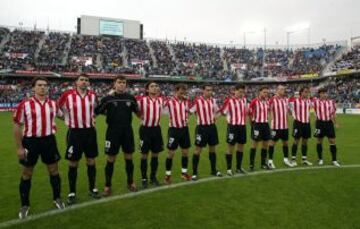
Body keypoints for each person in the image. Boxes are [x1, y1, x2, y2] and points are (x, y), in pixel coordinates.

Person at [13, 77, 65, 219]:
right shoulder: (25, 104)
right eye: (40, 85)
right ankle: (25, 205)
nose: (43, 87)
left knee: (54, 170)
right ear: (33, 88)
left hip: (49, 141)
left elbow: (63, 116)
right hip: (31, 142)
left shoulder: (53, 104)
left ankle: (57, 198)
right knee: (27, 173)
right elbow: (17, 125)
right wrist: (19, 148)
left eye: (45, 85)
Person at [58, 74, 100, 205]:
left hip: (90, 132)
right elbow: (58, 110)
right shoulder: (67, 95)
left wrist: (91, 118)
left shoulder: (93, 95)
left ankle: (92, 188)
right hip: (74, 133)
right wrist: (67, 120)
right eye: (81, 79)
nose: (84, 82)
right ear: (76, 82)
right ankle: (72, 192)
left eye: (86, 80)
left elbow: (97, 110)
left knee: (91, 160)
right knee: (73, 162)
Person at [95, 76, 140, 195]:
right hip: (112, 132)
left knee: (129, 158)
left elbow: (138, 113)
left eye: (123, 82)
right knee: (111, 159)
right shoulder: (107, 99)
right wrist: (109, 114)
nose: (121, 84)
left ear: (126, 85)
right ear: (114, 84)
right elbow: (97, 111)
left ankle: (130, 182)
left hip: (127, 131)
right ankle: (107, 185)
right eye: (119, 82)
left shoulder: (131, 98)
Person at [190, 84, 222, 181]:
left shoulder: (213, 101)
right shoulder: (197, 101)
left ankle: (213, 170)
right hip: (201, 128)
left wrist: (216, 117)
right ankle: (194, 173)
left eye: (211, 90)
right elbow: (190, 111)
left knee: (212, 149)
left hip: (212, 127)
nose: (209, 92)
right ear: (203, 91)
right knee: (198, 150)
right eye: (208, 90)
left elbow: (219, 112)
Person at [137, 81, 165, 188]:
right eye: (152, 86)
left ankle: (153, 177)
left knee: (155, 154)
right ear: (147, 90)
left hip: (156, 130)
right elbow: (135, 110)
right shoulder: (142, 100)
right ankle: (144, 178)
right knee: (144, 154)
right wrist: (140, 117)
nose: (155, 88)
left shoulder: (161, 100)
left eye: (156, 86)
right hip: (145, 130)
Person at [163, 83, 192, 184]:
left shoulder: (186, 101)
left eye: (184, 92)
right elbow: (160, 109)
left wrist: (187, 117)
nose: (182, 94)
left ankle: (184, 173)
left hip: (184, 129)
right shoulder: (169, 102)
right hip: (174, 130)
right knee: (171, 153)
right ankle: (167, 175)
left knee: (185, 152)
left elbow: (189, 111)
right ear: (176, 91)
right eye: (180, 92)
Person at [218, 84, 248, 175]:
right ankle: (229, 169)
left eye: (243, 92)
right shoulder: (229, 101)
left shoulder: (244, 100)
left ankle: (238, 167)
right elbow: (223, 112)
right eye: (240, 91)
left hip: (242, 126)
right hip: (233, 127)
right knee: (230, 147)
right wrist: (229, 119)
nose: (241, 93)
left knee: (241, 147)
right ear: (234, 91)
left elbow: (245, 111)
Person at [313, 88, 340, 167]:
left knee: (332, 141)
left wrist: (336, 123)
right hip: (319, 124)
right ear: (319, 94)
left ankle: (334, 160)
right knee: (319, 141)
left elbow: (333, 113)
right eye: (323, 93)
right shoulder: (315, 102)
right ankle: (320, 159)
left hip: (329, 123)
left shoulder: (331, 102)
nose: (325, 94)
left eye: (325, 93)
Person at [268, 85, 293, 168]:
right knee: (272, 143)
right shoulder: (272, 100)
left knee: (285, 143)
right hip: (275, 126)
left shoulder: (286, 100)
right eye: (281, 89)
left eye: (284, 89)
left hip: (284, 126)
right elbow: (269, 111)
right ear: (277, 90)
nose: (283, 91)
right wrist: (270, 122)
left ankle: (286, 159)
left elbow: (288, 112)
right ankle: (270, 161)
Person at [289, 86, 313, 166]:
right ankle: (293, 159)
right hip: (298, 123)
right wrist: (292, 115)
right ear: (301, 92)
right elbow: (288, 108)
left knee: (305, 141)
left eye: (307, 92)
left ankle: (304, 159)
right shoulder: (294, 101)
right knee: (296, 141)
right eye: (305, 92)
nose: (306, 93)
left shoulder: (309, 101)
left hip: (306, 123)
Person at [249, 86, 271, 170]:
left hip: (265, 124)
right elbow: (250, 114)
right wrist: (252, 124)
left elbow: (268, 112)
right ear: (260, 92)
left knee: (265, 144)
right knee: (255, 144)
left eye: (267, 92)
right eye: (264, 92)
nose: (266, 94)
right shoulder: (254, 101)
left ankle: (263, 163)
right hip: (257, 125)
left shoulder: (267, 102)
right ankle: (251, 164)